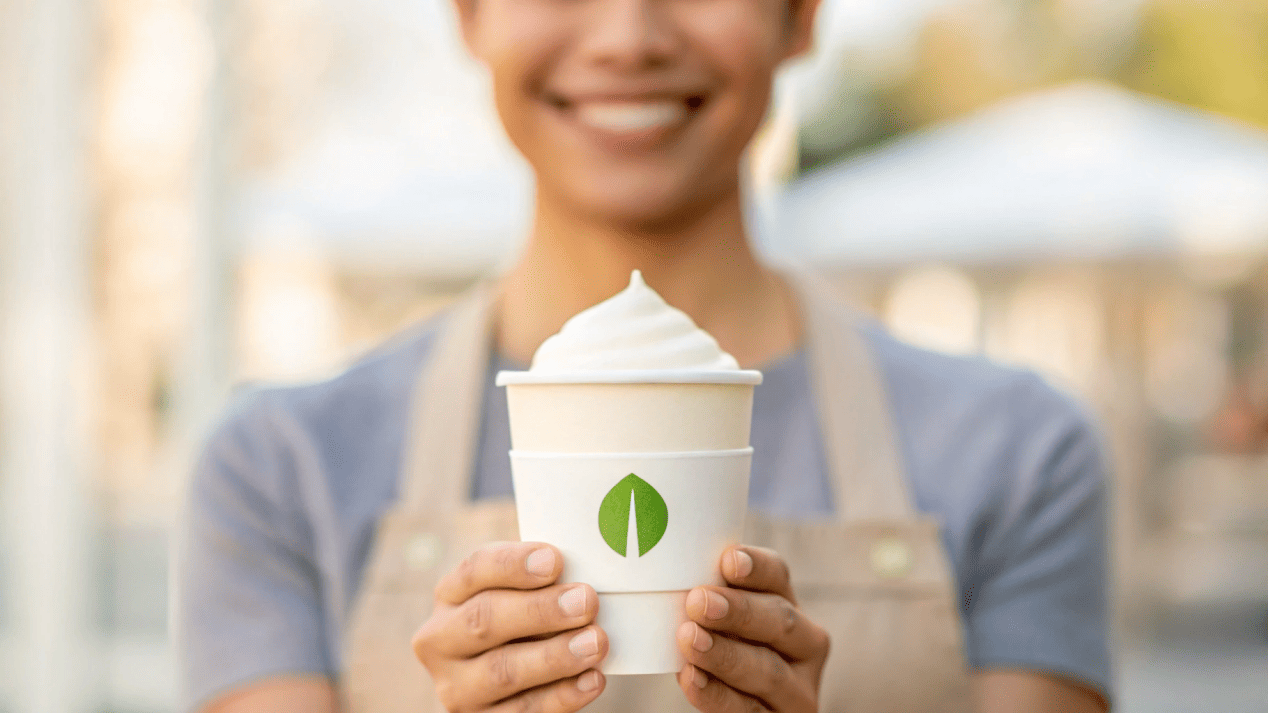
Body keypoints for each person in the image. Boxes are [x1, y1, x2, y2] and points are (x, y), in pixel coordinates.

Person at [174, 0, 1114, 711]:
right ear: (469, 14)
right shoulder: (278, 469)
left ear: (802, 16)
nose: (628, 36)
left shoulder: (1022, 454)